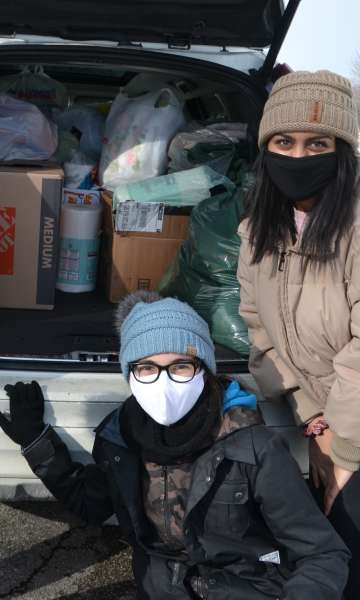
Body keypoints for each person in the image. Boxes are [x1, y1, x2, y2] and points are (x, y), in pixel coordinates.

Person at [0, 292, 349, 600]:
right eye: (147, 368)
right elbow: (91, 505)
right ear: (129, 373)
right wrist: (36, 442)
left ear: (203, 369)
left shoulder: (252, 447)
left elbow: (322, 554)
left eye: (180, 367)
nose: (163, 383)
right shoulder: (120, 440)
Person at [237, 70, 360, 597]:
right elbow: (258, 326)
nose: (299, 155)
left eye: (318, 143)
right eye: (284, 141)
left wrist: (344, 453)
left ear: (343, 151)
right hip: (324, 420)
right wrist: (310, 412)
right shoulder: (259, 231)